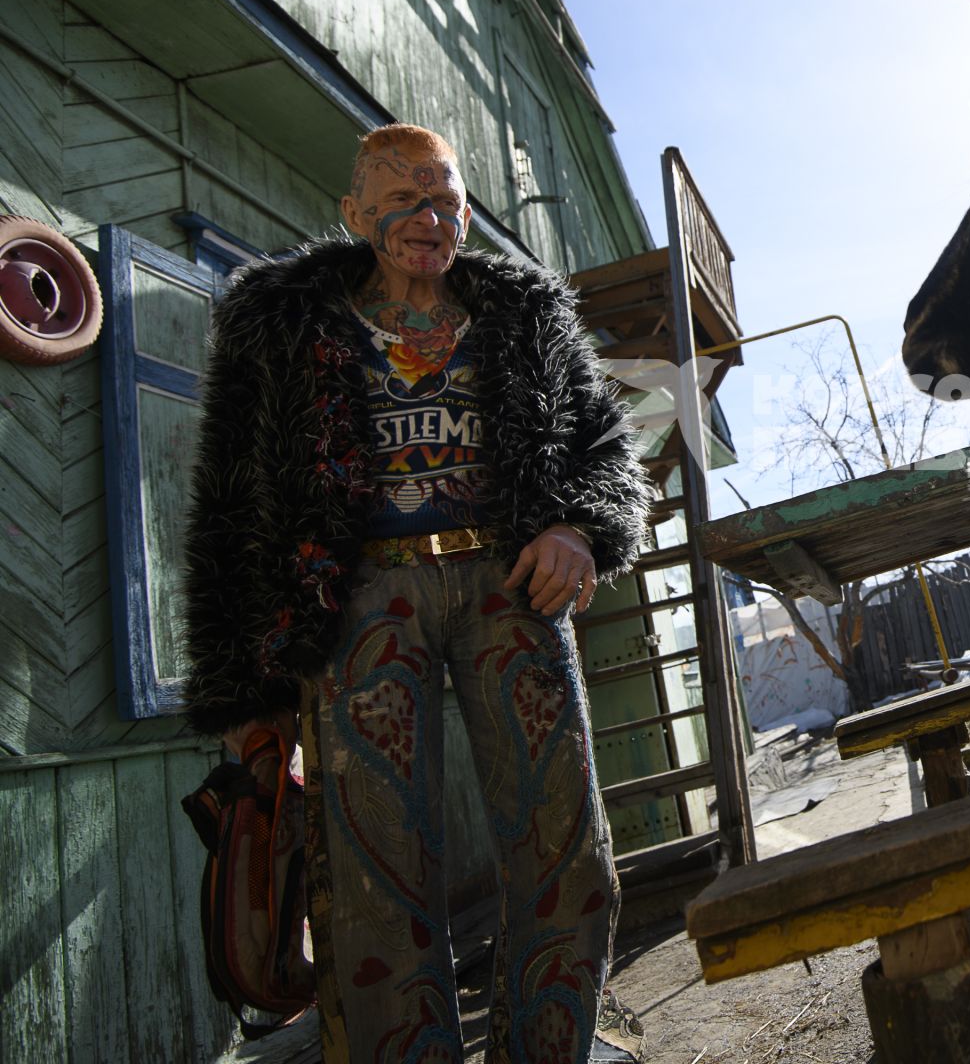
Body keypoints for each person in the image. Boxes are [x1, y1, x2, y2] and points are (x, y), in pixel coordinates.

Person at [182, 123, 651, 1062]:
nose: (424, 218)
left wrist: (579, 528)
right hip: (357, 602)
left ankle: (549, 1050)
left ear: (466, 213)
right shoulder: (281, 317)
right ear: (353, 214)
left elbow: (606, 446)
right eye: (399, 200)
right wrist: (249, 686)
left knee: (564, 836)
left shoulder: (524, 312)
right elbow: (232, 498)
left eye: (442, 198)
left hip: (509, 587)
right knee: (371, 865)